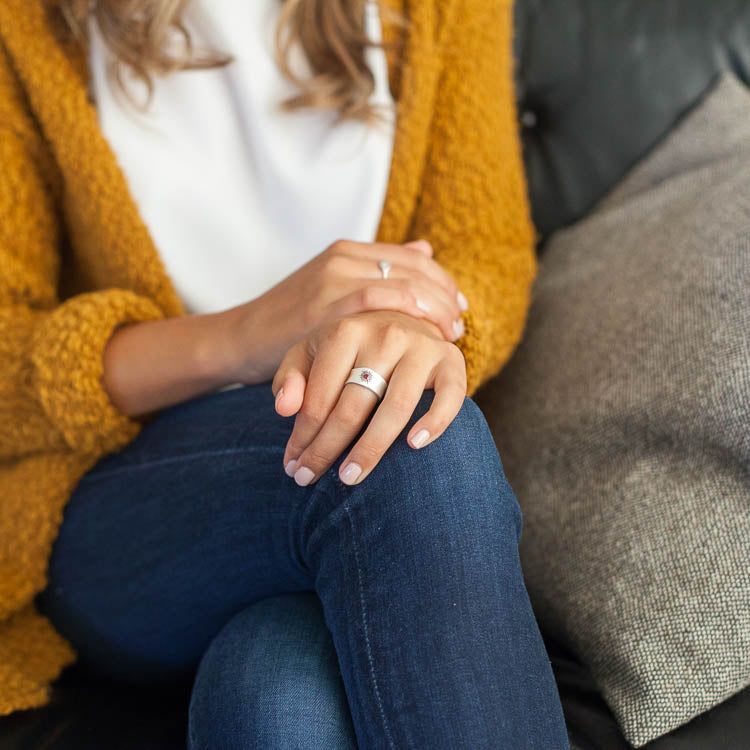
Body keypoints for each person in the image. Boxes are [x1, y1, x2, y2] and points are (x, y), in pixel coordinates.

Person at [0, 0, 570, 747]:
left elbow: (483, 244)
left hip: (368, 536)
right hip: (126, 506)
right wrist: (241, 337)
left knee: (274, 693)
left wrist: (407, 324)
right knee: (397, 442)